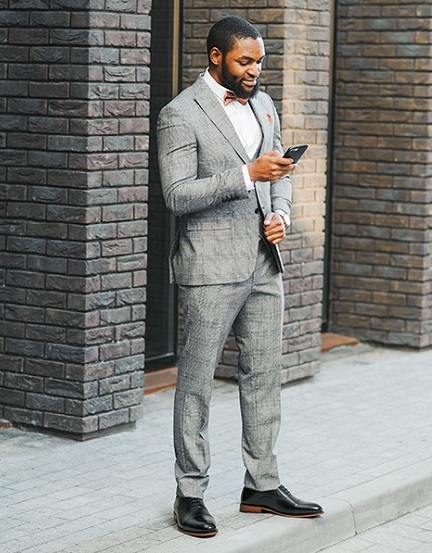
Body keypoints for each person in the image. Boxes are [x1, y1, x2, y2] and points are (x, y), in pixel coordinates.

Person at [157, 15, 324, 538]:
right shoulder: (179, 115)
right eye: (244, 62)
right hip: (209, 266)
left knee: (263, 377)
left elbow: (279, 175)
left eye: (260, 62)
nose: (254, 71)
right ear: (215, 57)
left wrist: (281, 214)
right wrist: (244, 176)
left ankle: (262, 485)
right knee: (198, 384)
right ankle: (190, 492)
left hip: (262, 262)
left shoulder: (265, 105)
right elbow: (176, 194)